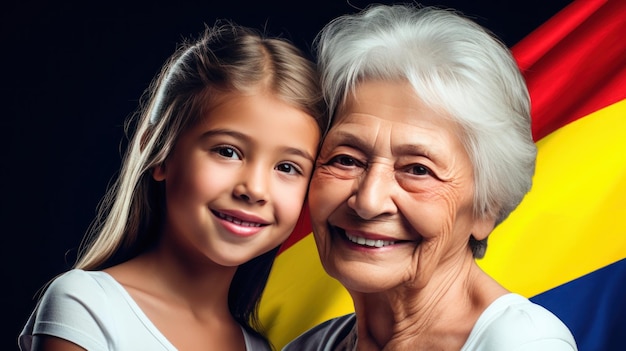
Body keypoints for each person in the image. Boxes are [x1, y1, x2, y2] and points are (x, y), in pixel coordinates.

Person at [283, 4, 578, 351]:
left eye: (418, 170)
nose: (368, 201)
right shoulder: (311, 346)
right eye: (347, 159)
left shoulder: (522, 344)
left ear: (486, 207)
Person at [19, 20, 327, 351]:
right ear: (160, 153)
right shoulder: (87, 305)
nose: (254, 189)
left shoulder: (262, 347)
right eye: (227, 151)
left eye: (287, 167)